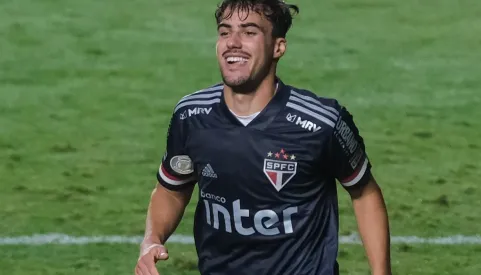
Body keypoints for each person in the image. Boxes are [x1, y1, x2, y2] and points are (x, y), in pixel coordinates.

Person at [135, 0, 392, 274]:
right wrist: (152, 239)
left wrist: (381, 272)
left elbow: (364, 193)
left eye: (249, 32)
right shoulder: (191, 116)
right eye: (225, 32)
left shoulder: (321, 123)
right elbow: (172, 190)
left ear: (278, 47)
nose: (233, 42)